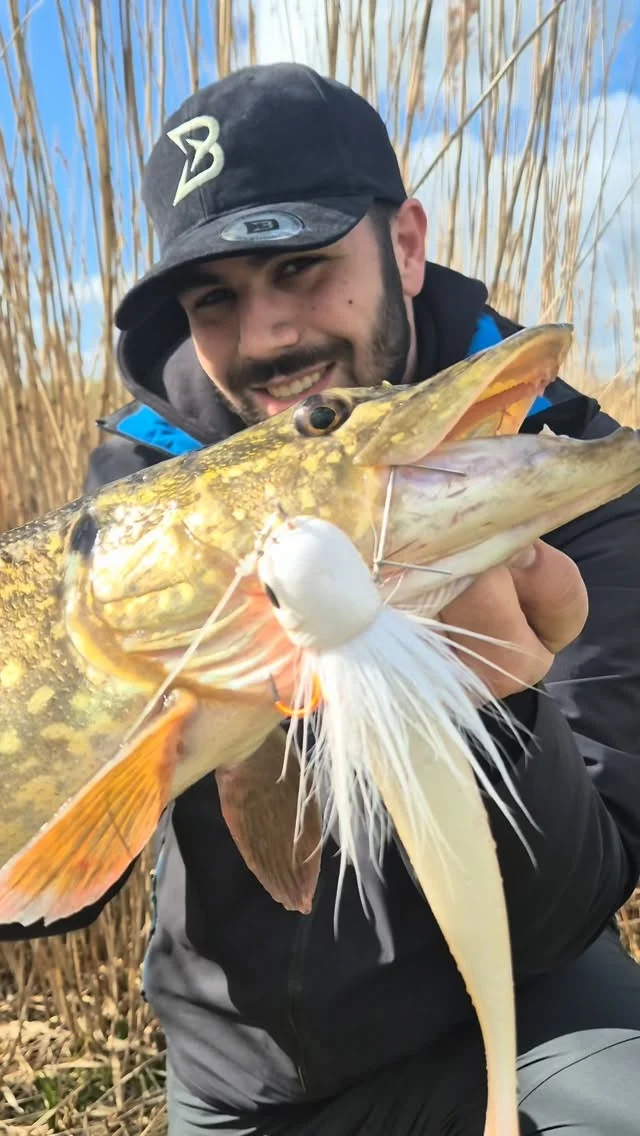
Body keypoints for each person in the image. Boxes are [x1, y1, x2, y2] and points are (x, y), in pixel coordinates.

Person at [3, 62, 640, 1135]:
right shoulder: (140, 494)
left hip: (525, 1018)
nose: (266, 336)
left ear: (404, 245)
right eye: (215, 300)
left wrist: (492, 711)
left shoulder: (556, 474)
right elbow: (51, 883)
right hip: (240, 1071)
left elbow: (579, 896)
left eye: (301, 265)